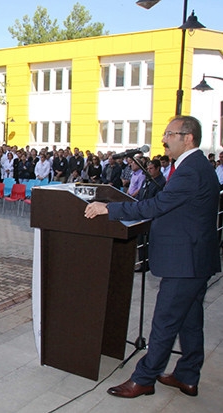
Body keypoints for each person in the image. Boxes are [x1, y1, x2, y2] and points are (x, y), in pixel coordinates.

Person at [84, 116, 220, 399]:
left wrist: (110, 209)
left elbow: (158, 205)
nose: (164, 139)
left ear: (188, 138)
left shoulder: (190, 169)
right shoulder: (192, 167)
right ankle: (187, 376)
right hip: (194, 259)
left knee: (165, 322)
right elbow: (173, 202)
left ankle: (144, 379)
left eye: (170, 133)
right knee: (190, 320)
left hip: (185, 261)